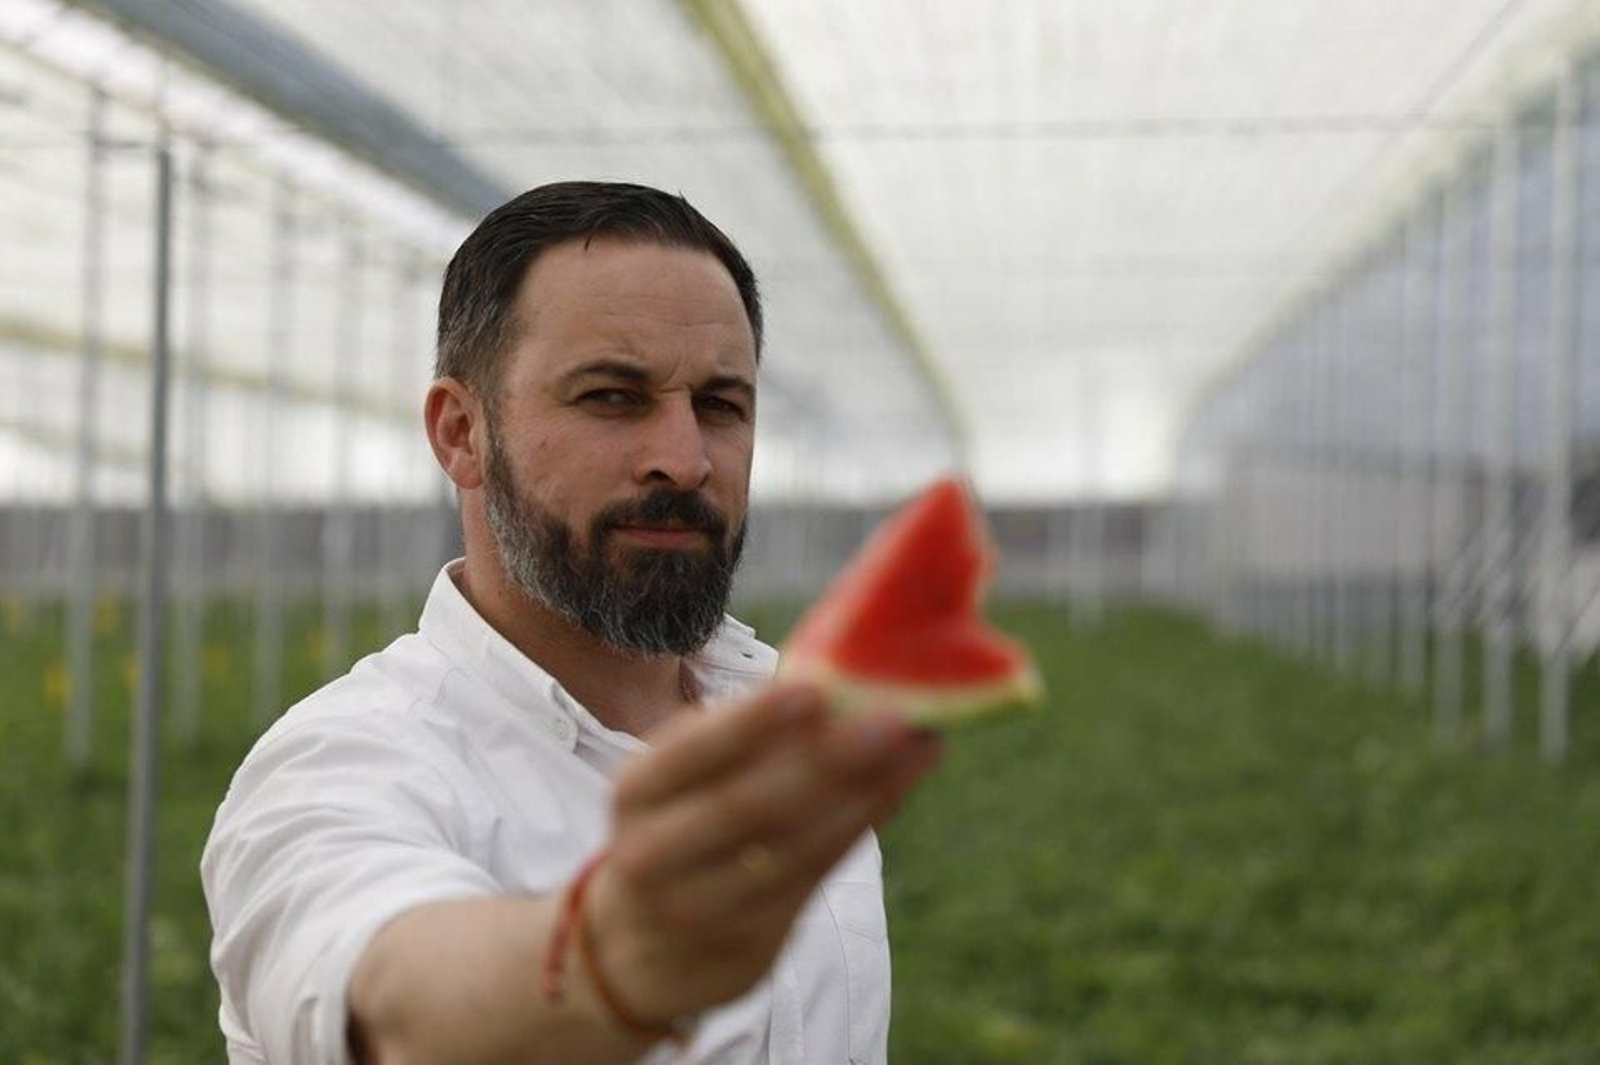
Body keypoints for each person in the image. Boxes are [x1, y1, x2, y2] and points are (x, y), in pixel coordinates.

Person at [201, 181, 943, 1065]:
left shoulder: (783, 716)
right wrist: (608, 965)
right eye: (610, 397)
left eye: (721, 404)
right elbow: (397, 1000)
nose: (685, 457)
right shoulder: (341, 765)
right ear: (461, 433)